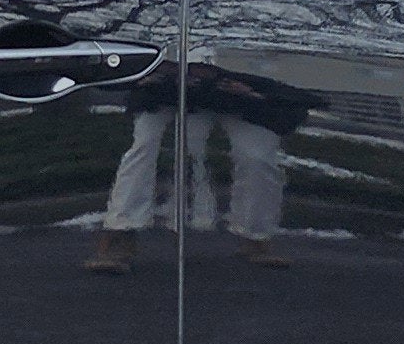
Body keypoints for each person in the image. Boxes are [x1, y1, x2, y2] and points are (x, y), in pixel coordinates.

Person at [89, 63, 311, 270]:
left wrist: (242, 83)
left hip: (236, 91)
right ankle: (120, 232)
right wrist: (152, 69)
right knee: (144, 146)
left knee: (257, 157)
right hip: (163, 88)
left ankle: (256, 236)